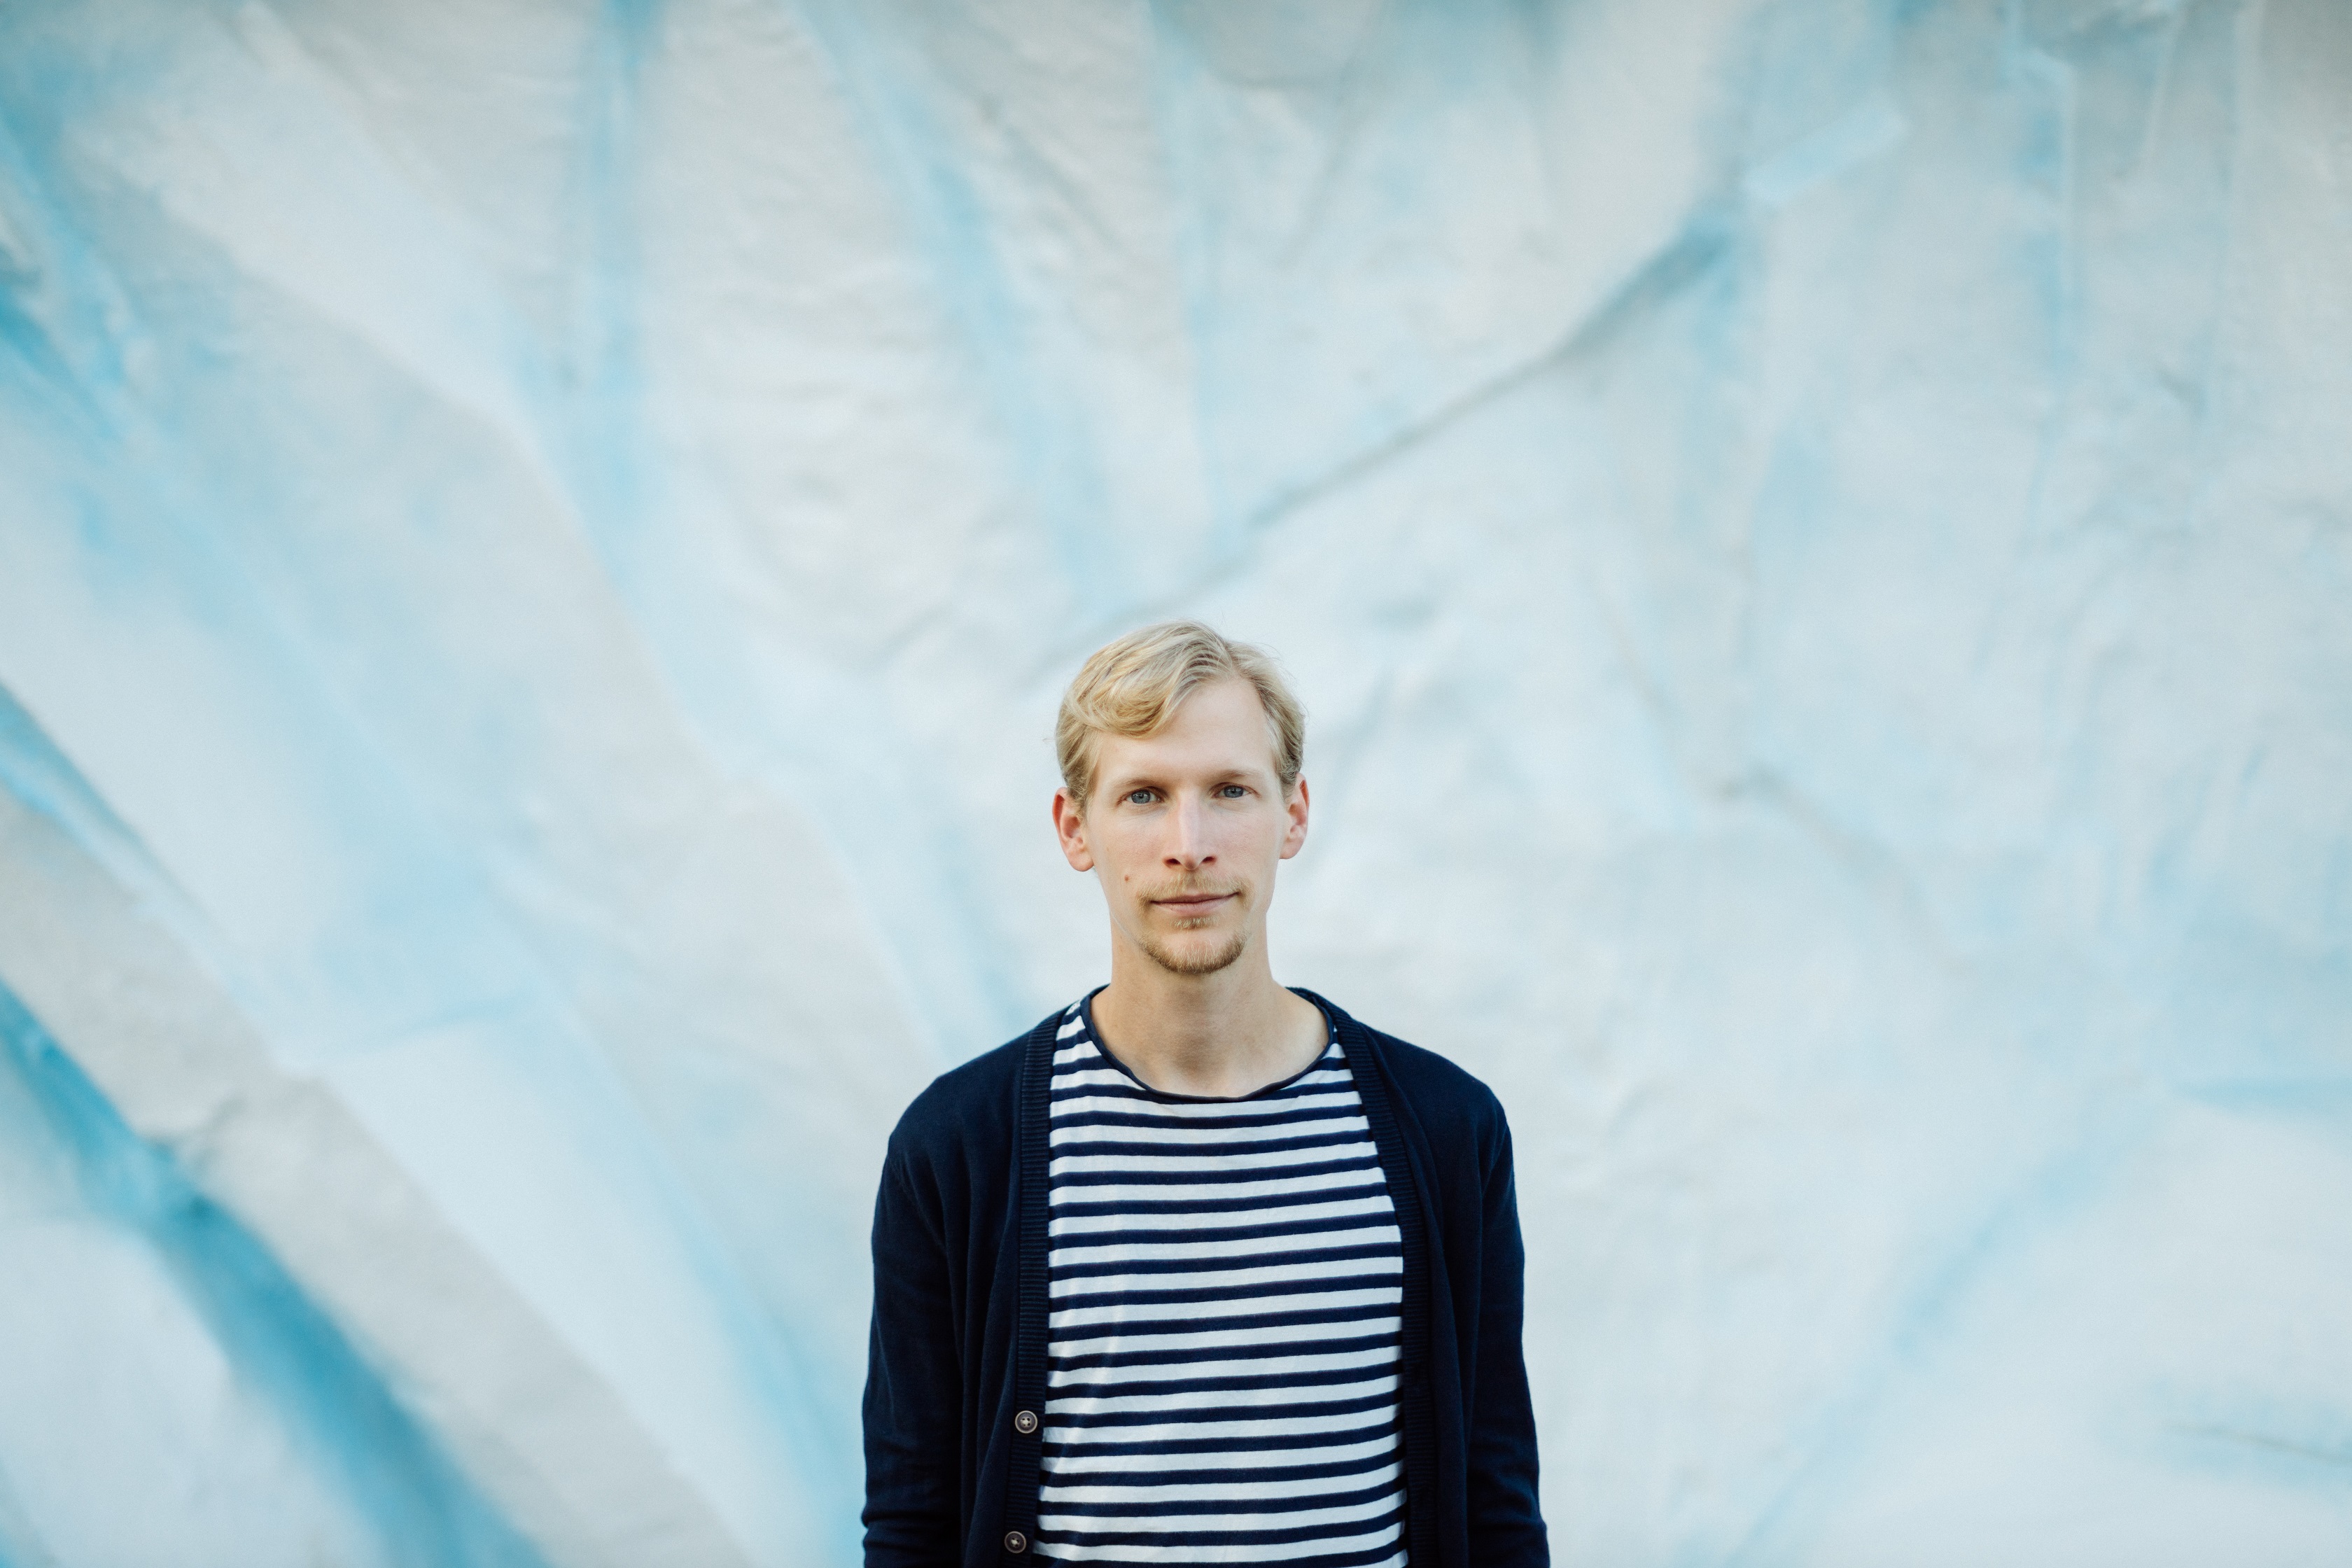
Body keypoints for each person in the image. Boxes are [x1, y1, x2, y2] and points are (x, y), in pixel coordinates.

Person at [862, 622, 1547, 1568]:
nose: (1190, 845)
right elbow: (911, 1521)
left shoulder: (1447, 1131)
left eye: (1230, 791)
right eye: (1144, 796)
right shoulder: (956, 1147)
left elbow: (1497, 1503)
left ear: (1293, 815)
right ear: (1075, 828)